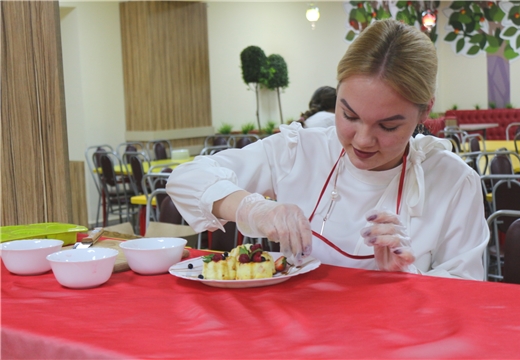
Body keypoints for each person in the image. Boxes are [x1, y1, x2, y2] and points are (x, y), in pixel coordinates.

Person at [167, 19, 489, 280]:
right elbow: (186, 178)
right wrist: (254, 209)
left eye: (387, 127)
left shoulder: (453, 182)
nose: (362, 140)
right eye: (349, 115)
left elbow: (469, 297)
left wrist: (409, 277)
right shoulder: (301, 150)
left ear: (424, 112)